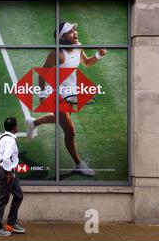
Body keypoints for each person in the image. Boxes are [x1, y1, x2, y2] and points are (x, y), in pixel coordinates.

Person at [25, 22, 107, 177]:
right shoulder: (56, 54)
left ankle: (33, 123)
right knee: (70, 131)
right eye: (70, 31)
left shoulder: (78, 47)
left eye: (75, 30)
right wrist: (42, 96)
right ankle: (78, 163)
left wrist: (98, 55)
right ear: (62, 37)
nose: (75, 32)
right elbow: (42, 75)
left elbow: (86, 63)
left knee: (62, 120)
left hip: (70, 93)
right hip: (55, 95)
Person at [0, 117, 26, 237]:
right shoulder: (10, 140)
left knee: (18, 195)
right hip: (7, 173)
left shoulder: (3, 137)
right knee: (2, 200)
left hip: (8, 172)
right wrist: (9, 173)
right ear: (14, 127)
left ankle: (11, 223)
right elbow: (6, 158)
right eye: (17, 125)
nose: (18, 126)